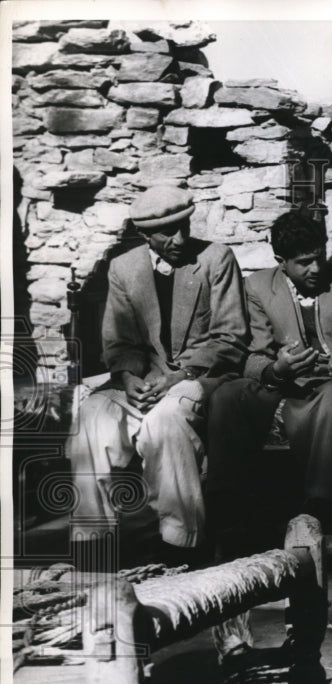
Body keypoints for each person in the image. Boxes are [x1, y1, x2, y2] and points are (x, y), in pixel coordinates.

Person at [66, 186, 248, 564]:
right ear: (145, 234)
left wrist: (178, 375)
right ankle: (92, 541)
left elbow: (232, 337)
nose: (179, 238)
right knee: (92, 420)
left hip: (201, 374)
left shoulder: (217, 259)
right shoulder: (124, 267)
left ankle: (179, 543)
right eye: (166, 232)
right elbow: (119, 341)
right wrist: (129, 378)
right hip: (144, 379)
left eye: (183, 226)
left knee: (165, 423)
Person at [206, 210, 332, 549]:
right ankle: (229, 505)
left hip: (331, 382)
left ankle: (323, 505)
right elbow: (253, 353)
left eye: (319, 258)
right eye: (303, 263)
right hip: (280, 380)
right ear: (280, 261)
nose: (315, 269)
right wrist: (276, 370)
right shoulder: (256, 287)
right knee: (228, 395)